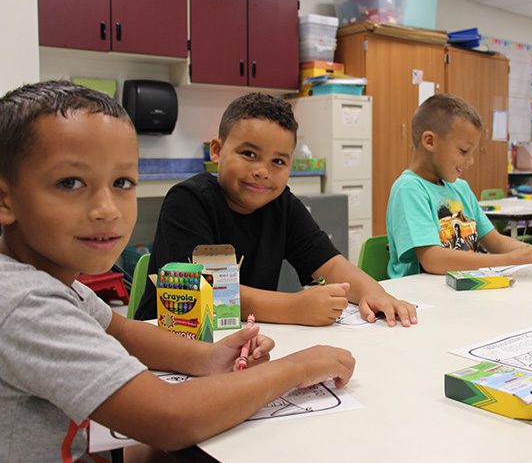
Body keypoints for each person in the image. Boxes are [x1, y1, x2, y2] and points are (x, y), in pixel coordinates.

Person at [0, 81, 355, 460]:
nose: (108, 209)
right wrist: (295, 368)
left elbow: (122, 331)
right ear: (5, 200)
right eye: (70, 183)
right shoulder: (24, 302)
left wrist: (211, 358)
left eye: (122, 183)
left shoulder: (54, 282)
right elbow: (169, 418)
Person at [136, 93, 416, 327]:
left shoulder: (282, 205)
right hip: (171, 340)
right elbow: (204, 293)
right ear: (217, 150)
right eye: (249, 154)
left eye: (278, 161)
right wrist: (295, 307)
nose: (262, 171)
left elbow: (329, 265)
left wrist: (374, 292)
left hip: (240, 339)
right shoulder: (188, 202)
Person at [386, 93, 532, 278]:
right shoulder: (409, 189)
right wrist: (508, 260)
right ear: (430, 141)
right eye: (463, 151)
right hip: (422, 298)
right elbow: (433, 260)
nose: (470, 161)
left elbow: (495, 241)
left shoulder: (460, 188)